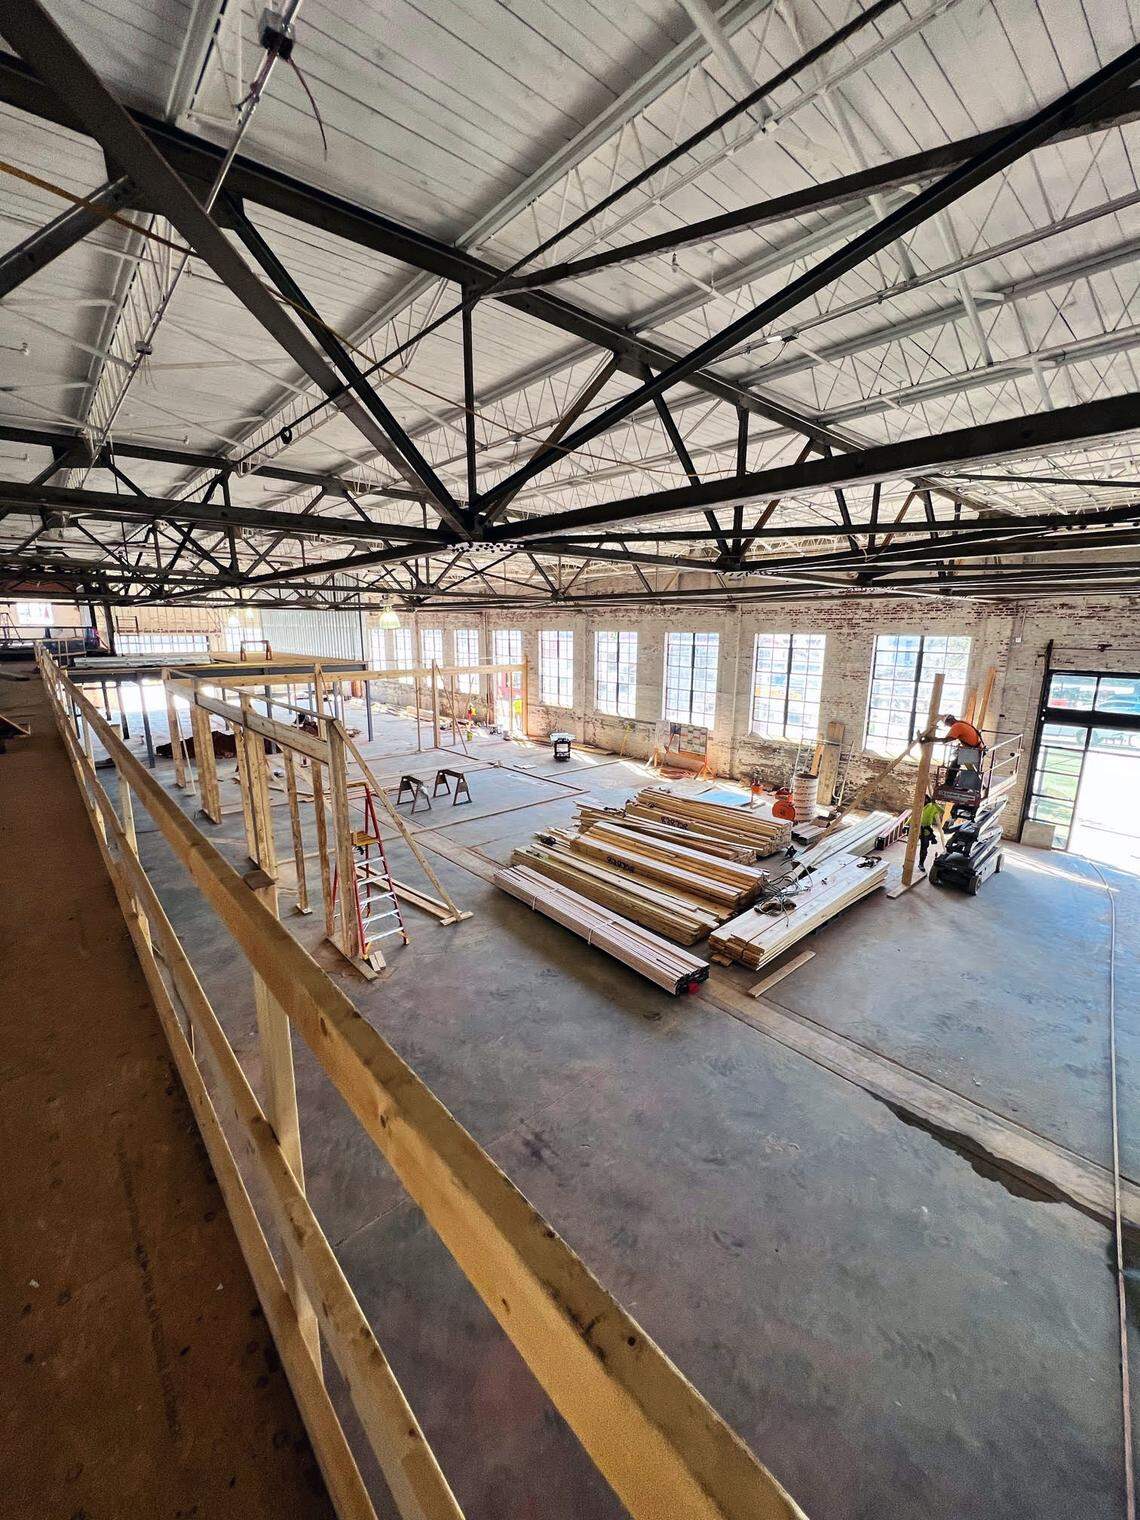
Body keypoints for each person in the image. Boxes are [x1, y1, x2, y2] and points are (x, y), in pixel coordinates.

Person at [937, 712, 984, 788]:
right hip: (978, 750)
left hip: (975, 751)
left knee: (954, 764)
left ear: (949, 722)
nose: (949, 726)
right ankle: (980, 785)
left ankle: (948, 784)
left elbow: (947, 739)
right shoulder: (962, 723)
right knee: (970, 768)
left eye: (947, 724)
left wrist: (932, 739)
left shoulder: (956, 726)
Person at [918, 794, 943, 870]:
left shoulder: (932, 807)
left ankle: (921, 864)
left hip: (926, 830)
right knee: (910, 847)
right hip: (916, 829)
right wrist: (906, 825)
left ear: (927, 799)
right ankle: (908, 862)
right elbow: (913, 816)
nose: (923, 801)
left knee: (924, 848)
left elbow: (942, 811)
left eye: (924, 799)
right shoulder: (918, 806)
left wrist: (935, 804)